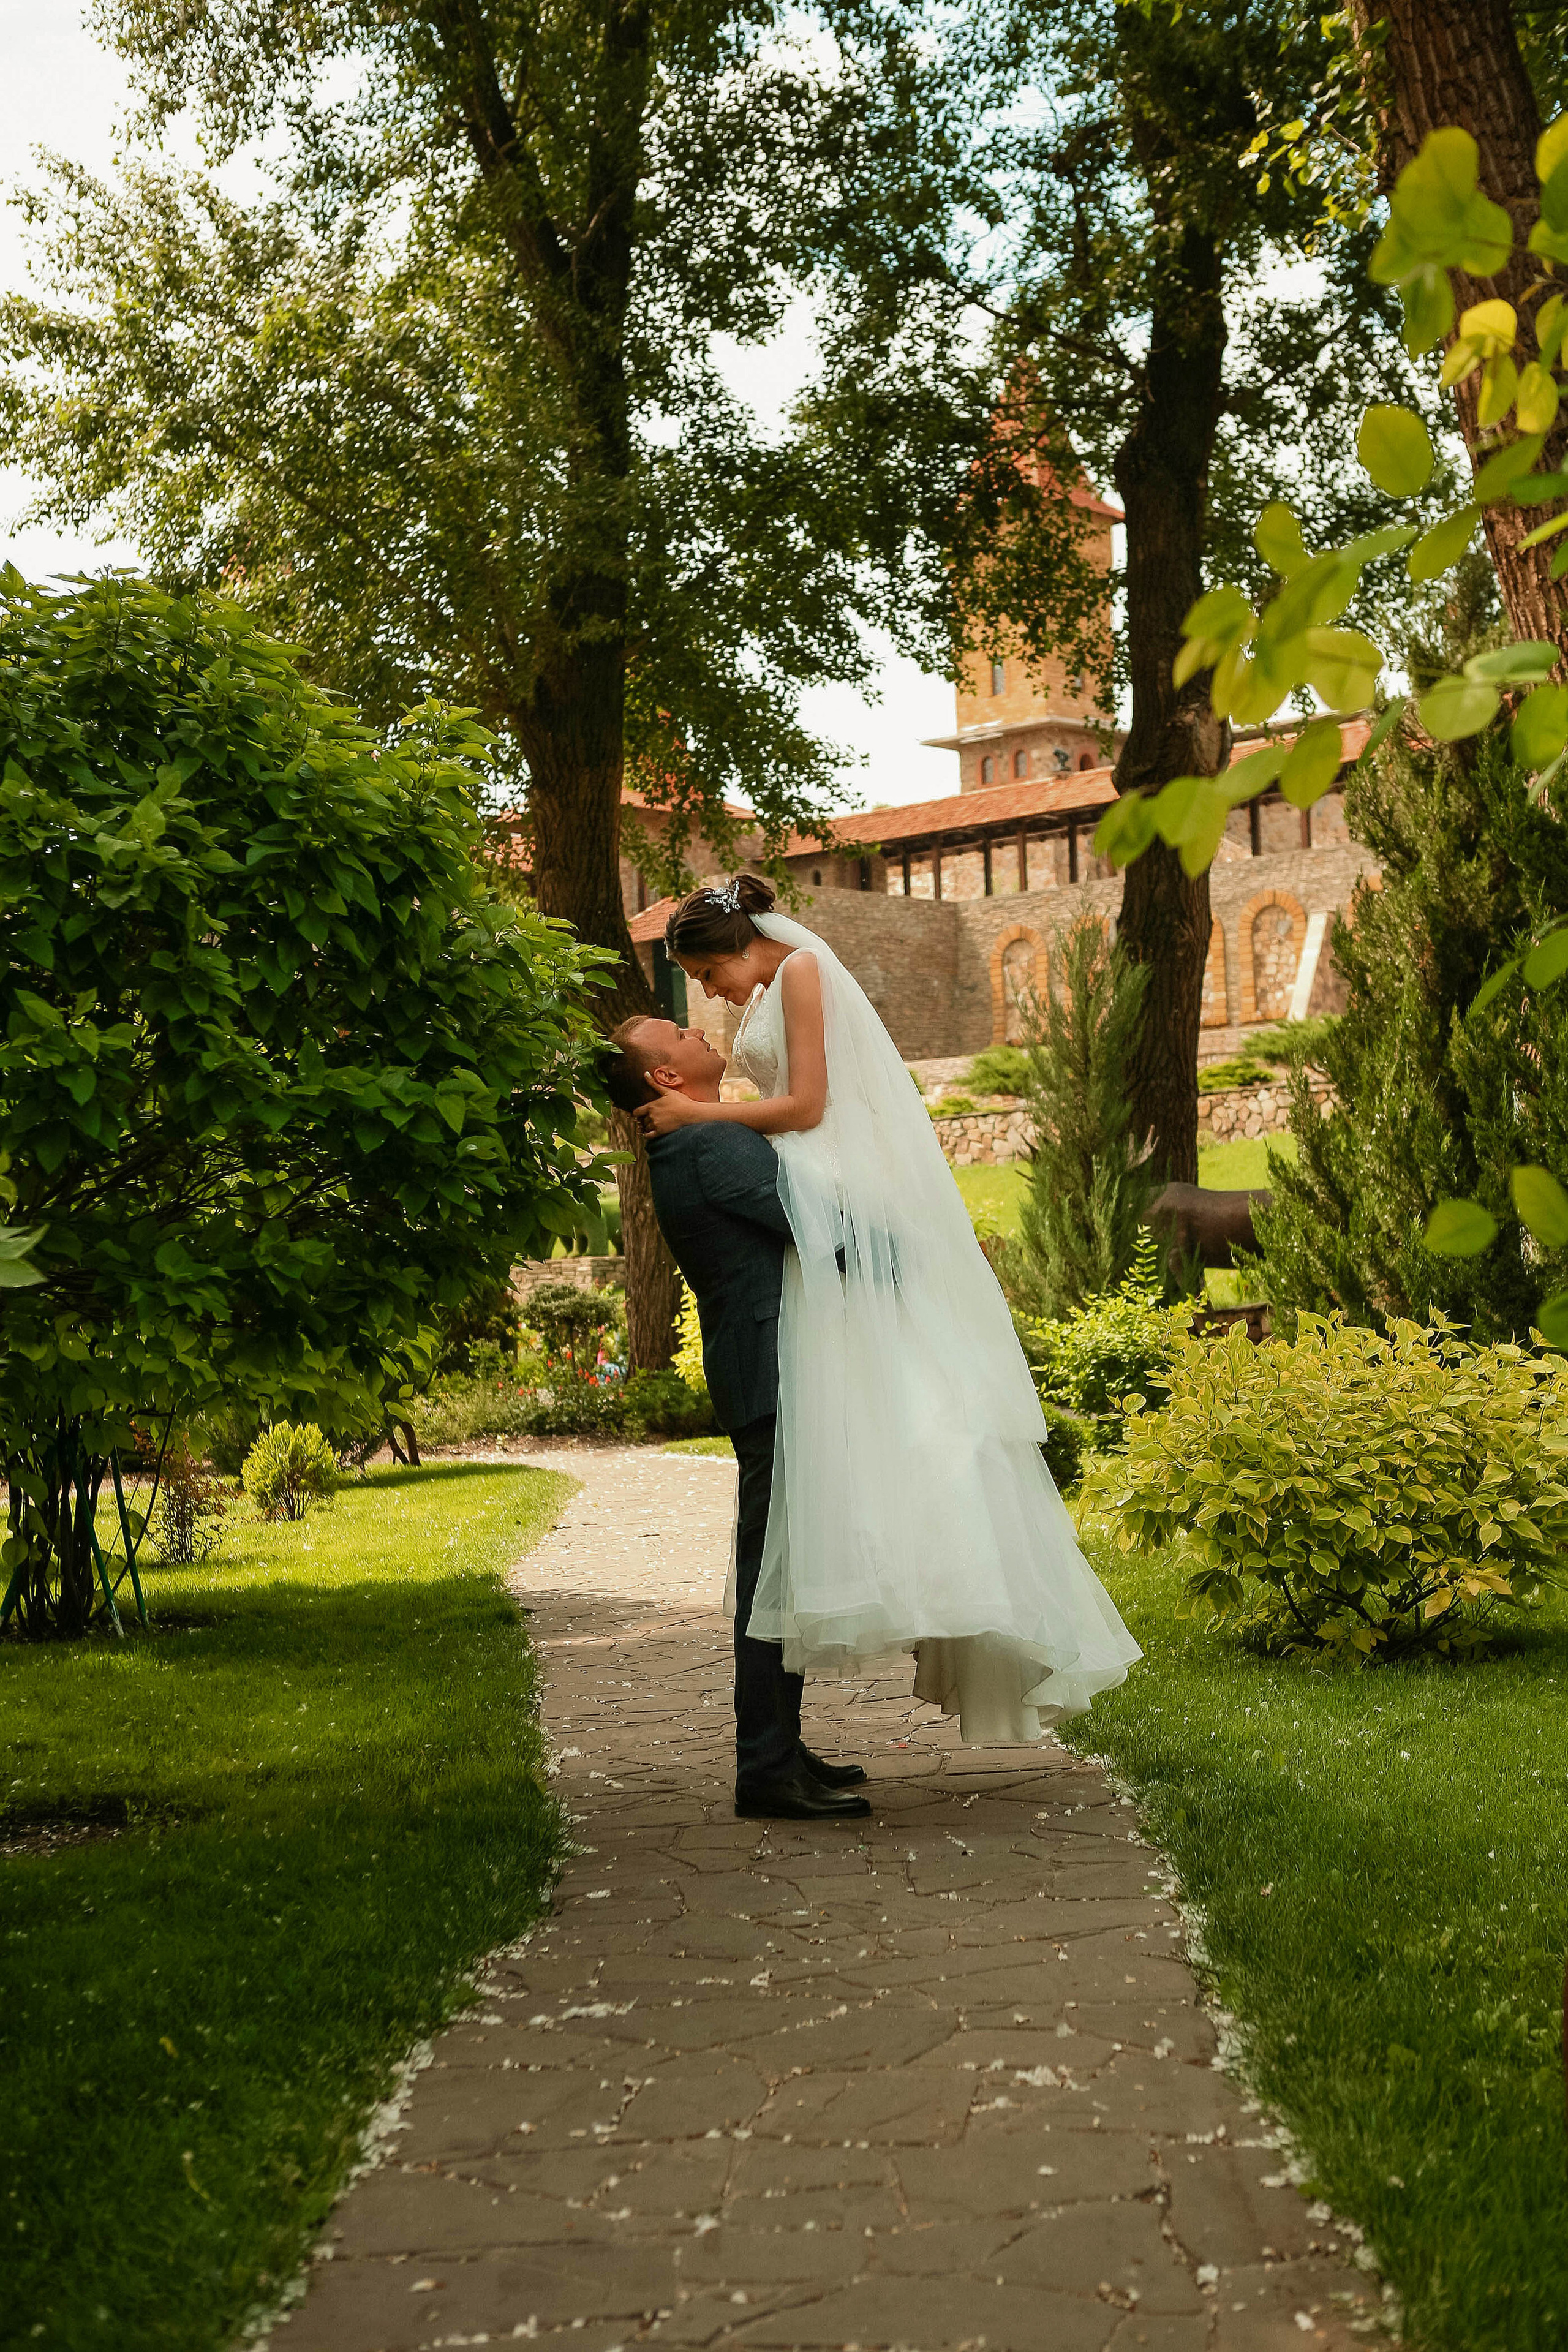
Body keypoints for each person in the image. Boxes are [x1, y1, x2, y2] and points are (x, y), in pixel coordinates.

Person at [633, 875, 1142, 1744]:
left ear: (725, 951)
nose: (710, 1001)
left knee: (918, 1418)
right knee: (883, 1429)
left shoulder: (797, 974)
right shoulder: (758, 1013)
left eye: (705, 981)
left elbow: (810, 1106)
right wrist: (703, 1117)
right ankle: (782, 1744)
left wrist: (696, 1112)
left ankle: (794, 1736)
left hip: (822, 1165)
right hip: (806, 1182)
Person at [602, 1015, 872, 1823]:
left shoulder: (699, 1138)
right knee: (771, 1573)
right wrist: (918, 1251)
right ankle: (764, 1766)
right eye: (678, 1033)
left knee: (780, 1566)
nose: (696, 1029)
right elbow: (819, 1229)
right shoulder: (707, 1146)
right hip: (771, 1370)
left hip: (767, 1366)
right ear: (665, 1078)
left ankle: (780, 1746)